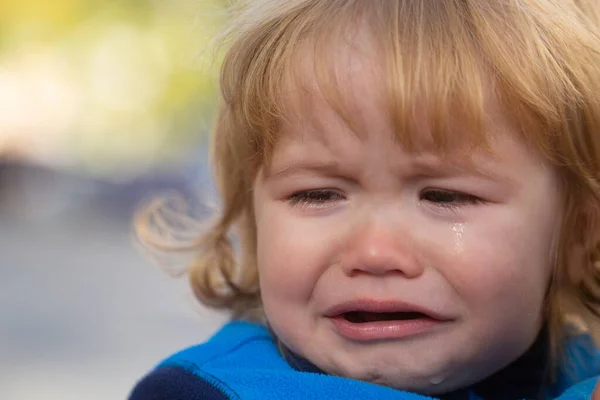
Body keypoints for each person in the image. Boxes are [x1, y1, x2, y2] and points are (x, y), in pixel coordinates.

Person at [128, 0, 600, 399]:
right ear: (253, 221)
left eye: (444, 195)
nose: (374, 252)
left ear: (580, 234)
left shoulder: (580, 366)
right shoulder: (210, 391)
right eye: (316, 194)